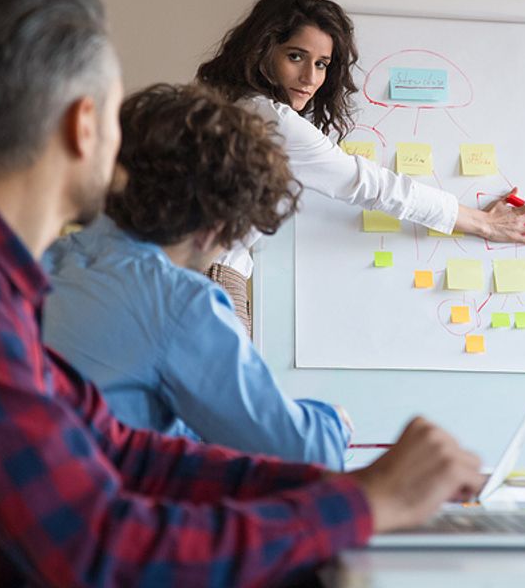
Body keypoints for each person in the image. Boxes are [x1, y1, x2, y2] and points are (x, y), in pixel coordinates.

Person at [0, 0, 482, 585]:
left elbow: (119, 449)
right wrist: (360, 506)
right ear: (85, 124)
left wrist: (347, 489)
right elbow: (98, 549)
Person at [43, 82, 351, 469]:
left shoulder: (45, 261)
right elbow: (301, 452)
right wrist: (335, 422)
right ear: (216, 226)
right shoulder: (181, 302)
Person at [195, 0, 525, 322]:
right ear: (261, 51)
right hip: (212, 279)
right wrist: (484, 223)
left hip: (196, 275)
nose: (309, 77)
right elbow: (374, 186)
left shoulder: (229, 107)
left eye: (322, 64)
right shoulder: (273, 121)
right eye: (295, 57)